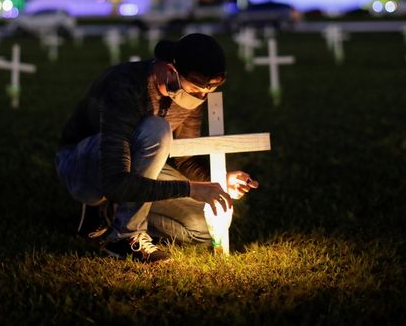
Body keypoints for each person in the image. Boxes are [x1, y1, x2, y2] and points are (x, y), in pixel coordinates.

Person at [56, 33, 259, 262]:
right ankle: (124, 238)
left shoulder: (192, 96)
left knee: (203, 225)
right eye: (195, 90)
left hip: (138, 167)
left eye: (206, 92)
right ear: (171, 69)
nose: (200, 97)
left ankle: (114, 214)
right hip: (87, 163)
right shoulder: (125, 85)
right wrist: (191, 190)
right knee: (157, 128)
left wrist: (218, 181)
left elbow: (185, 159)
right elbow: (115, 180)